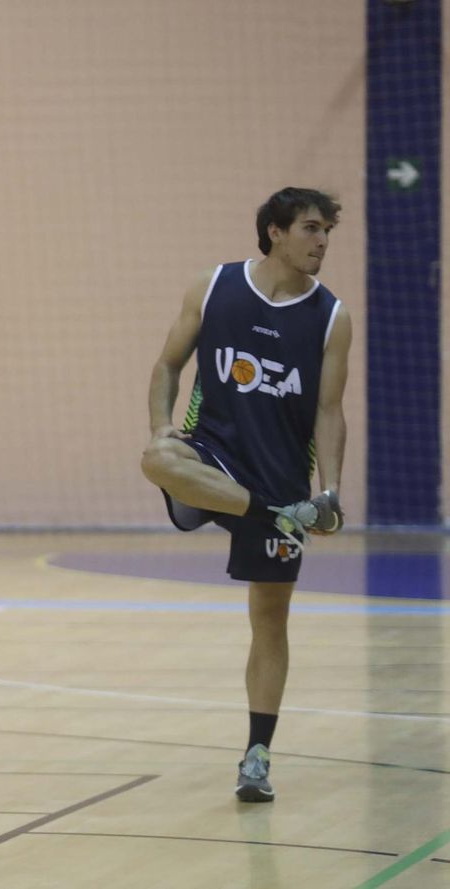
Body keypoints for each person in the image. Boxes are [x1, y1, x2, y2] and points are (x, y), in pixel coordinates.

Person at [141, 187, 350, 803]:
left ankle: (257, 755)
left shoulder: (332, 315)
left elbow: (330, 411)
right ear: (275, 231)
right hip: (213, 458)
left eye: (327, 233)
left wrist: (330, 492)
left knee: (270, 621)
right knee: (158, 458)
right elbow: (166, 367)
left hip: (282, 476)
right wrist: (162, 424)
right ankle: (266, 514)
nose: (321, 242)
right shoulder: (214, 286)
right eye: (312, 229)